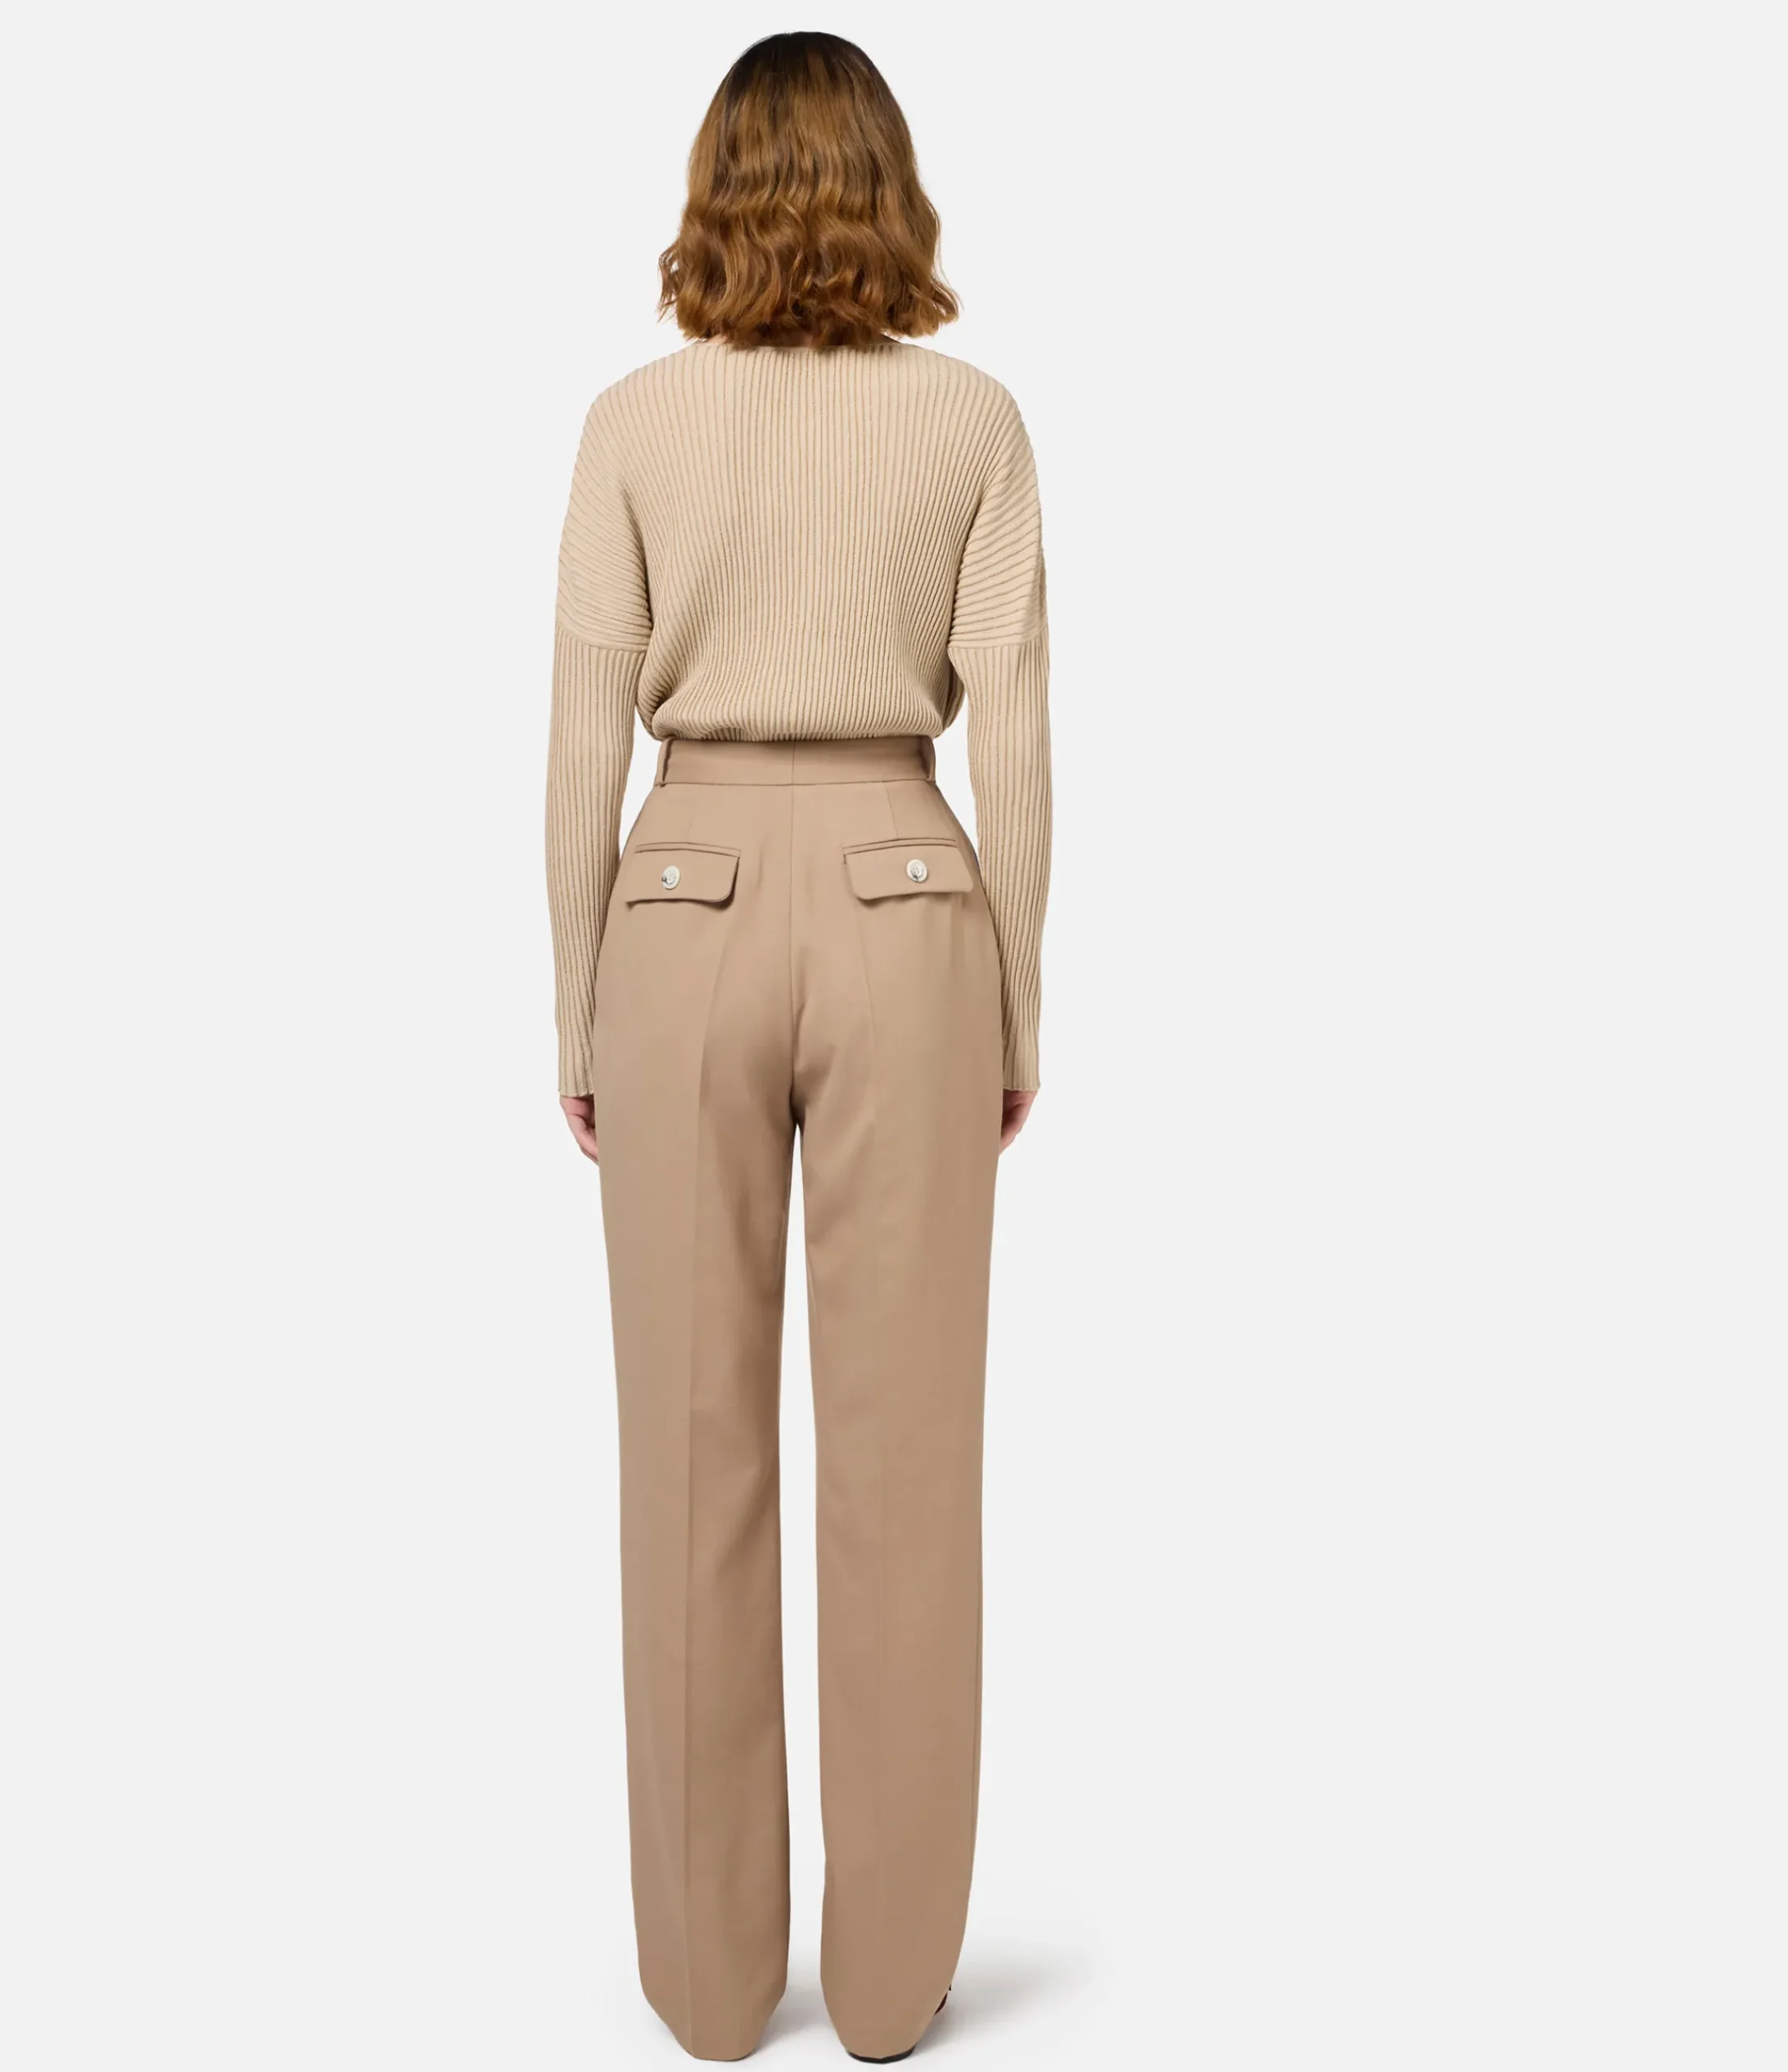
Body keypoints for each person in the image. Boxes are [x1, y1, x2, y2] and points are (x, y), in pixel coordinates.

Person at [543, 32, 1051, 2063]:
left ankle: (703, 1980)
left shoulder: (631, 423)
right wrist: (1017, 993)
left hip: (675, 905)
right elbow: (1014, 734)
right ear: (889, 190)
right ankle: (896, 1984)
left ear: (713, 190)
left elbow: (580, 731)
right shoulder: (973, 423)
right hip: (910, 895)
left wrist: (572, 998)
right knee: (907, 1466)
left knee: (686, 1458)